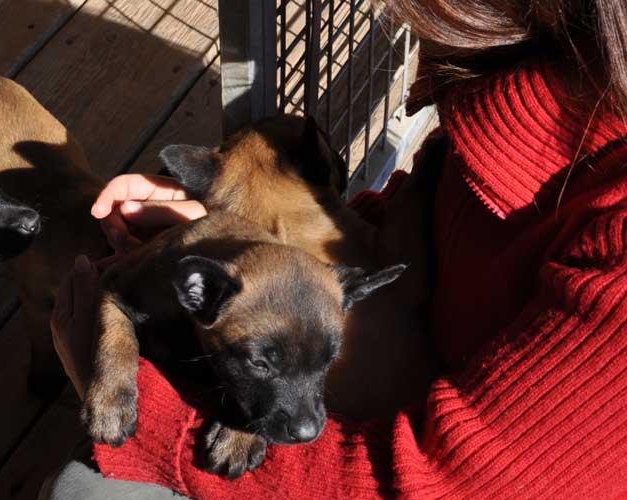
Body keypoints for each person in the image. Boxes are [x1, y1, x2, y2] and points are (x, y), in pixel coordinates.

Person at [45, 0, 627, 498]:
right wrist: (231, 238)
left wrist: (157, 420)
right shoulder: (522, 81)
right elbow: (417, 228)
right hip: (374, 386)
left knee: (82, 488)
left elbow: (426, 486)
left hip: (377, 463)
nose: (395, 20)